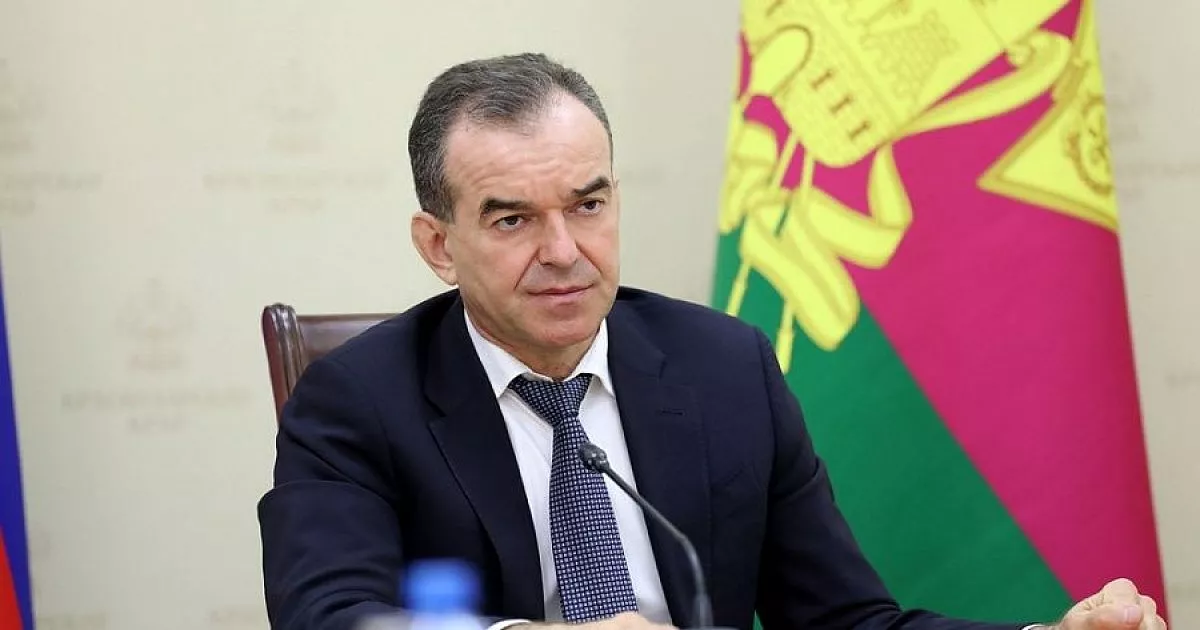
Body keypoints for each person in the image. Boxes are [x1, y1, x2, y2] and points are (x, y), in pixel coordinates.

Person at [256, 52, 1167, 630]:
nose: (564, 251)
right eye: (511, 219)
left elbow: (843, 620)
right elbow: (328, 616)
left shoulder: (724, 367)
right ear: (438, 245)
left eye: (588, 204)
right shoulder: (358, 400)